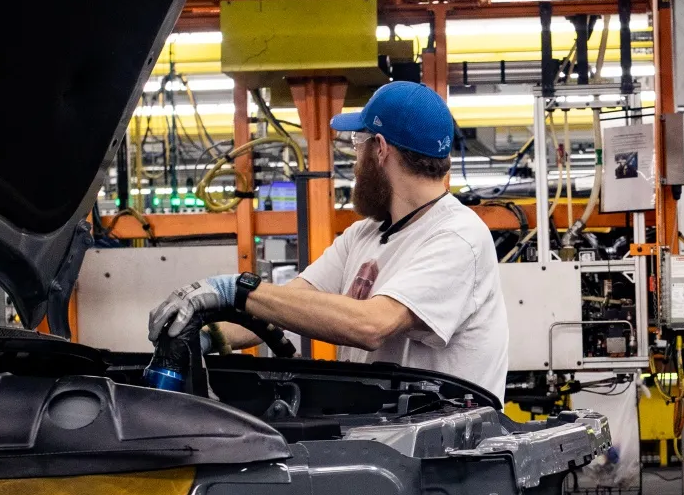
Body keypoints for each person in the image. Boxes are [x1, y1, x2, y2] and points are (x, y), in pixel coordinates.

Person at [148, 80, 509, 399]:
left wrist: (236, 289)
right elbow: (293, 304)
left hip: (447, 457)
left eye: (357, 142)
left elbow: (373, 325)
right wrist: (203, 333)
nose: (355, 157)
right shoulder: (364, 234)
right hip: (384, 438)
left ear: (380, 148)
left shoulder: (458, 236)